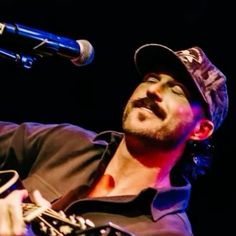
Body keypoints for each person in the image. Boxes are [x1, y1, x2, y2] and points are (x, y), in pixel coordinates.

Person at [0, 43, 228, 236]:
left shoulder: (166, 231)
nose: (154, 90)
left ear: (200, 130)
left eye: (176, 90)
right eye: (151, 79)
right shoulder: (67, 142)